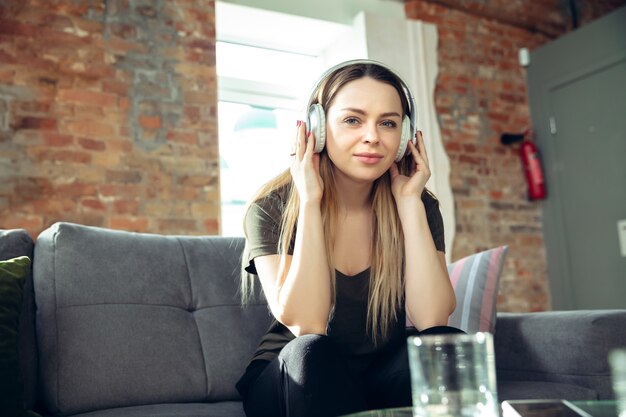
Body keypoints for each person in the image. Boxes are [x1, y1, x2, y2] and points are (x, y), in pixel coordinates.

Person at [236, 60, 460, 417]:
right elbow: (306, 324)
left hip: (378, 373)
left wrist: (408, 204)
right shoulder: (272, 206)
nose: (372, 136)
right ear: (318, 128)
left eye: (388, 123)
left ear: (404, 135)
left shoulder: (418, 204)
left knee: (446, 346)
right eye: (353, 120)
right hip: (298, 374)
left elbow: (433, 317)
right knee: (312, 353)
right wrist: (310, 200)